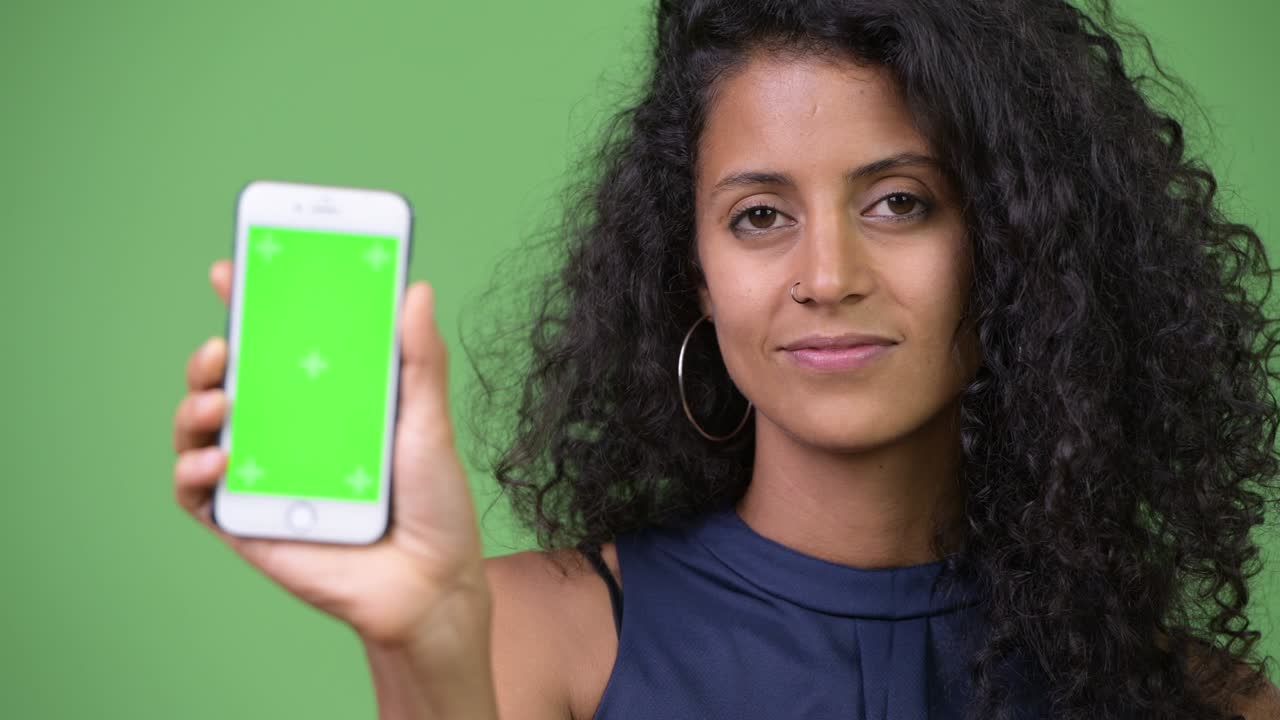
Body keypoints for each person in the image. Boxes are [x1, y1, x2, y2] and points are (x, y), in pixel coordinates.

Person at [172, 0, 1280, 717]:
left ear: (1015, 249)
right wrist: (425, 645)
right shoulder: (521, 640)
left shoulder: (1207, 700)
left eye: (899, 203)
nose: (824, 274)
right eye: (758, 217)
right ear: (693, 272)